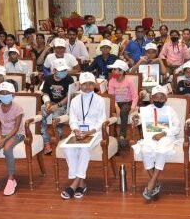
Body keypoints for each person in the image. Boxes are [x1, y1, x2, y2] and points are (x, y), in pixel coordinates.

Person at [60, 72, 106, 200]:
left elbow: (101, 121)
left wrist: (90, 132)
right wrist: (75, 130)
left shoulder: (100, 100)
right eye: (84, 84)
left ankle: (74, 185)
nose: (87, 87)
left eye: (90, 84)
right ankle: (81, 183)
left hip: (95, 132)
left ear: (94, 85)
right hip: (78, 131)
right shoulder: (75, 100)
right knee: (68, 148)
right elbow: (72, 119)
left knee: (85, 149)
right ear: (80, 85)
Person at [133, 85, 182, 201]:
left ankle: (152, 182)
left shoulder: (170, 110)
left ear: (166, 99)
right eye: (156, 97)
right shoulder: (146, 109)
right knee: (145, 150)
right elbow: (139, 120)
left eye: (162, 97)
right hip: (150, 137)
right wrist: (135, 119)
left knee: (162, 150)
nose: (159, 100)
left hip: (166, 137)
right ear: (151, 98)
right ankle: (155, 181)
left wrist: (163, 133)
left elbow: (177, 127)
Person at [42, 59, 75, 155]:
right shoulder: (48, 79)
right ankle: (46, 142)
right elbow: (45, 93)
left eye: (65, 70)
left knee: (56, 117)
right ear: (54, 70)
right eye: (61, 70)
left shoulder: (69, 79)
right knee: (42, 115)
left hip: (62, 105)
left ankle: (58, 139)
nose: (64, 72)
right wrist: (47, 103)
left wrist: (58, 105)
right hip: (50, 102)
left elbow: (69, 96)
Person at [107, 60, 138, 148]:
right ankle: (111, 136)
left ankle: (122, 135)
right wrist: (116, 107)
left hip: (126, 102)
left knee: (123, 112)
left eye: (115, 70)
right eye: (113, 70)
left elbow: (135, 96)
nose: (113, 72)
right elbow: (111, 96)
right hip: (115, 102)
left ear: (121, 71)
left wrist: (132, 107)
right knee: (109, 111)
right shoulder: (111, 81)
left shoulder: (129, 81)